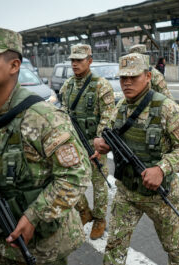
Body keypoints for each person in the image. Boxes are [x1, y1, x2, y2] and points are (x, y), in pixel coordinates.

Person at [0, 27, 92, 265]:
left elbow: (76, 176)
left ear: (14, 65)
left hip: (39, 248)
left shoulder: (41, 116)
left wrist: (33, 216)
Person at [94, 53, 179, 265]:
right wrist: (103, 144)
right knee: (114, 247)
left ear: (148, 76)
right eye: (123, 78)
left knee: (173, 247)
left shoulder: (166, 108)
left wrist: (161, 168)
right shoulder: (120, 107)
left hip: (160, 195)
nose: (127, 82)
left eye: (133, 77)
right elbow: (111, 135)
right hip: (126, 192)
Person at [59, 43, 115, 240]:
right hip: (73, 144)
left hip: (94, 144)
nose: (74, 64)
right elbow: (64, 113)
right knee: (69, 181)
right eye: (72, 60)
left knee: (99, 184)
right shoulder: (67, 85)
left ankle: (100, 219)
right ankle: (84, 211)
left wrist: (99, 144)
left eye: (79, 60)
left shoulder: (102, 85)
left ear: (89, 61)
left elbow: (108, 117)